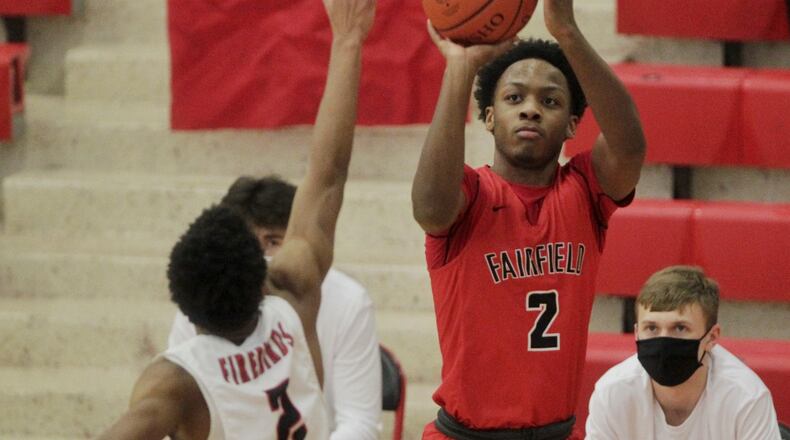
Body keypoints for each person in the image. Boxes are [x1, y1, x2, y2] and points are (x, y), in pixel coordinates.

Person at [97, 0, 376, 437]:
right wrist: (348, 40)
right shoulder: (294, 298)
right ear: (260, 279)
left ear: (185, 307)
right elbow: (327, 175)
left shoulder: (178, 382)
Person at [411, 1, 646, 438]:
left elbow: (630, 146)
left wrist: (568, 32)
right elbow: (428, 208)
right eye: (514, 97)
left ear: (573, 124)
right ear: (488, 117)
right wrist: (460, 68)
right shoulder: (470, 195)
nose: (531, 109)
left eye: (551, 100)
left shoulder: (584, 192)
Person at [168, 175, 382, 439]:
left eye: (272, 242)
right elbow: (177, 414)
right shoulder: (202, 301)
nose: (260, 258)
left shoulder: (348, 299)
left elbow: (360, 423)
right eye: (248, 244)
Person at [585, 266, 781, 439]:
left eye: (679, 328)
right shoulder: (612, 392)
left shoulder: (746, 398)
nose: (663, 340)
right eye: (652, 328)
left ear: (712, 337)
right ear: (636, 333)